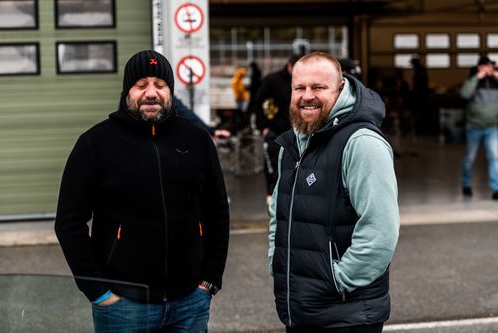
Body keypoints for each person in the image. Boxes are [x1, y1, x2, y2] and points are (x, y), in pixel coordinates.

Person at [55, 50, 230, 332]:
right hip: (122, 306)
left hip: (190, 302)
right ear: (127, 91)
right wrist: (98, 290)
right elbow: (68, 222)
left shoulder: (197, 141)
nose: (151, 93)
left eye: (160, 85)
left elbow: (217, 211)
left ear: (170, 91)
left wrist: (210, 279)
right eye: (141, 85)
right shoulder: (95, 144)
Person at [268, 52, 400, 332]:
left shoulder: (361, 143)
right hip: (301, 308)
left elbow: (380, 231)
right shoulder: (292, 145)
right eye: (299, 88)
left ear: (340, 90)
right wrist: (277, 262)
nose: (307, 96)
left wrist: (335, 280)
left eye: (318, 87)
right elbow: (277, 213)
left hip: (346, 314)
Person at [252, 54, 300, 205]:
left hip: (299, 132)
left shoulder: (303, 81)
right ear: (289, 66)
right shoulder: (273, 80)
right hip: (276, 130)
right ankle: (272, 200)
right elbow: (258, 101)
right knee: (273, 167)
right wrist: (264, 126)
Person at [460, 55, 498, 200]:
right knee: (470, 158)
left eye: (491, 66)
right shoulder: (473, 81)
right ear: (479, 67)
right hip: (474, 126)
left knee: (494, 157)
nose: (489, 68)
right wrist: (478, 76)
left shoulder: (495, 81)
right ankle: (466, 185)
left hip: (492, 127)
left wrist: (495, 75)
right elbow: (464, 94)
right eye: (486, 66)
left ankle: (496, 188)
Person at [410, 56, 430, 134]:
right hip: (421, 96)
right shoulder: (421, 70)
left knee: (420, 114)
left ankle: (421, 130)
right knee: (421, 114)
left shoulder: (419, 71)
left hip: (420, 96)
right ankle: (420, 130)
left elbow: (419, 86)